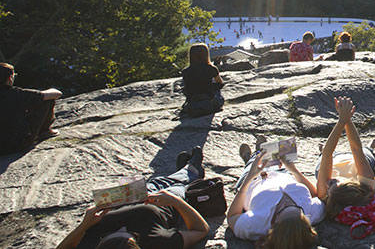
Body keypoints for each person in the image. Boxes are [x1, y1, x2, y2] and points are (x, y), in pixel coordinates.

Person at [56, 147, 209, 249]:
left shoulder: (91, 244)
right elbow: (201, 230)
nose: (122, 228)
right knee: (178, 186)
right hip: (164, 203)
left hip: (127, 197)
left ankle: (186, 170)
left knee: (156, 182)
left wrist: (84, 224)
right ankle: (192, 170)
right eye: (126, 234)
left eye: (113, 233)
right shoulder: (157, 242)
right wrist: (175, 202)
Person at [228, 138, 325, 245]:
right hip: (283, 173)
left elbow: (232, 217)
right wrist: (293, 170)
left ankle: (250, 159)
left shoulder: (256, 224)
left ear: (275, 222)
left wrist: (250, 177)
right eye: (294, 205)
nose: (286, 202)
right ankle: (260, 153)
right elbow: (316, 194)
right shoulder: (313, 213)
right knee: (270, 155)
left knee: (254, 162)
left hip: (254, 180)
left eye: (282, 208)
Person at [316, 97, 375, 221]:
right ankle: (370, 148)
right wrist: (347, 119)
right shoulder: (366, 186)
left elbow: (328, 154)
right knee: (365, 154)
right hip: (353, 160)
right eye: (333, 182)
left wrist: (341, 120)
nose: (328, 183)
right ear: (351, 184)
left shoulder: (325, 194)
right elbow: (356, 149)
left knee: (323, 158)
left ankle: (321, 151)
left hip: (333, 159)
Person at [0, 62, 62, 154]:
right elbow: (57, 94)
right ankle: (45, 132)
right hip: (17, 145)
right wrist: (40, 94)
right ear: (10, 78)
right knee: (46, 100)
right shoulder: (18, 94)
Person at [180, 44, 224, 117]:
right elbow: (220, 82)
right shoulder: (211, 69)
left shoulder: (185, 71)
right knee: (218, 89)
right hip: (209, 100)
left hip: (192, 102)